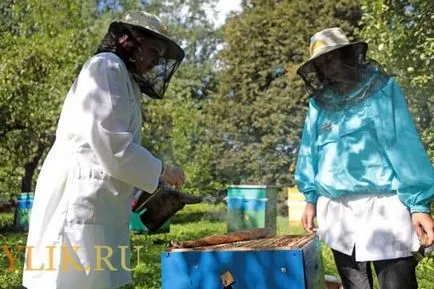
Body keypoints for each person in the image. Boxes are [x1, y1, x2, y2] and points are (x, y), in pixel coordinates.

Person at [23, 11, 186, 289]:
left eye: (160, 55)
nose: (156, 61)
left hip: (98, 201)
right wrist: (161, 171)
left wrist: (144, 190)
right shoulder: (106, 67)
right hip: (78, 196)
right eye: (152, 51)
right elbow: (113, 146)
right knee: (68, 279)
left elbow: (117, 151)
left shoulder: (126, 81)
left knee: (95, 279)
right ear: (128, 41)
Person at [295, 27, 434, 289]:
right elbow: (309, 152)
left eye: (333, 57)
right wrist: (310, 198)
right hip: (336, 212)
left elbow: (405, 146)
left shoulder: (383, 91)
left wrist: (419, 206)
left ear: (348, 55)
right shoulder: (318, 105)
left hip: (385, 208)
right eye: (322, 63)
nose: (329, 67)